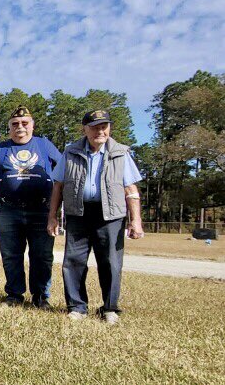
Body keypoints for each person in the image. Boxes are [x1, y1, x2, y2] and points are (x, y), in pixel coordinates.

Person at [49, 110, 145, 324]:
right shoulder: (70, 152)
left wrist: (135, 220)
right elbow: (58, 185)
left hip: (111, 215)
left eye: (104, 126)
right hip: (78, 213)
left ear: (109, 128)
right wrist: (53, 216)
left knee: (111, 262)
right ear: (84, 129)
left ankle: (110, 308)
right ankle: (77, 307)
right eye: (94, 127)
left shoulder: (121, 153)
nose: (100, 131)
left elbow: (131, 188)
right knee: (73, 262)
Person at [0, 106, 62, 308]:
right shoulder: (0, 149)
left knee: (41, 255)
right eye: (15, 124)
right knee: (11, 254)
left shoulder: (44, 145)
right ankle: (15, 295)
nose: (20, 127)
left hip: (41, 210)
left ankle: (41, 296)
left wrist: (57, 208)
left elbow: (63, 172)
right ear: (9, 128)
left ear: (32, 126)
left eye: (24, 123)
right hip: (8, 211)